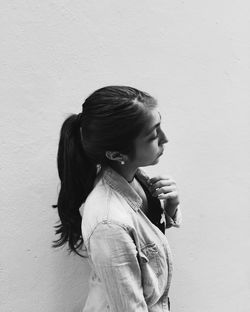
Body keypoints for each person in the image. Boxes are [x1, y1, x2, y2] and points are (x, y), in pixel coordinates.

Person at [53, 86, 181, 312]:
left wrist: (170, 209)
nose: (165, 139)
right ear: (116, 154)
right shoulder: (108, 222)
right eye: (153, 135)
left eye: (160, 125)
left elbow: (145, 238)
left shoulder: (135, 178)